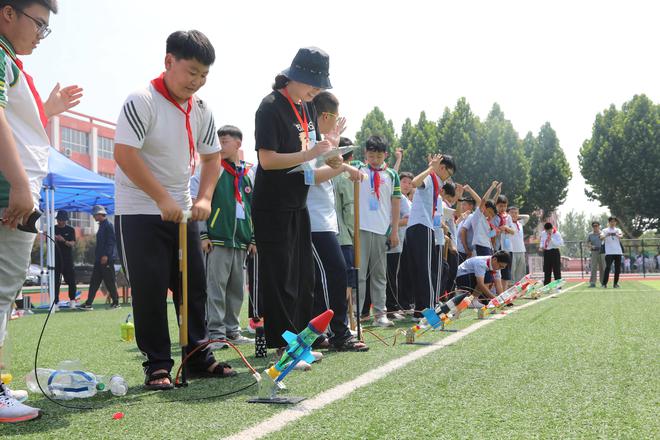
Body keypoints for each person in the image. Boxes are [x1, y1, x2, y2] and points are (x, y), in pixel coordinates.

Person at [113, 30, 235, 389]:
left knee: (193, 287)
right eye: (192, 72)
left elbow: (213, 159)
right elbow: (125, 155)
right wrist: (160, 198)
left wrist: (204, 199)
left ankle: (197, 357)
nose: (196, 82)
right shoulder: (142, 100)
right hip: (139, 211)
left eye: (204, 76)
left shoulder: (201, 109)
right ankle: (157, 365)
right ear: (169, 62)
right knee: (150, 289)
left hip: (182, 213)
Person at [0, 0, 82, 423]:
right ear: (8, 13)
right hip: (8, 196)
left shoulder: (9, 60)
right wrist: (17, 183)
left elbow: (16, 124)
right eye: (39, 24)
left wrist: (46, 110)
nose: (41, 34)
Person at [252, 47, 334, 352]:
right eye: (313, 82)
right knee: (280, 278)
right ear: (295, 75)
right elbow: (267, 160)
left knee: (303, 277)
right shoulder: (270, 106)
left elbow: (307, 161)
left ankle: (301, 342)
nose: (317, 90)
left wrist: (329, 160)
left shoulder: (307, 107)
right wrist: (310, 154)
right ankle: (283, 345)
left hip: (299, 202)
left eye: (320, 85)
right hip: (272, 205)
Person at [308, 91, 367, 352]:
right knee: (332, 274)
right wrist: (342, 166)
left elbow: (330, 166)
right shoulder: (309, 141)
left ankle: (323, 332)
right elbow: (311, 176)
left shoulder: (322, 141)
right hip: (313, 222)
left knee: (329, 276)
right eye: (334, 117)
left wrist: (337, 155)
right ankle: (338, 332)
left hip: (325, 221)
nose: (337, 123)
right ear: (326, 115)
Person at [200, 125, 255, 348]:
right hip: (217, 238)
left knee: (236, 289)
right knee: (215, 288)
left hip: (241, 241)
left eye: (225, 141)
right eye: (218, 141)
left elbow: (253, 207)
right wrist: (204, 233)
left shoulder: (248, 173)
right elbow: (202, 199)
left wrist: (252, 238)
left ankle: (233, 331)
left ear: (238, 144)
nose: (220, 145)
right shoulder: (214, 168)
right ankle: (216, 333)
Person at [398, 154, 455, 316]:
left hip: (418, 227)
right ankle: (428, 309)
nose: (448, 178)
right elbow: (415, 183)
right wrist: (431, 168)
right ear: (442, 168)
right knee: (424, 270)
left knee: (420, 269)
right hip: (421, 227)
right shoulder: (431, 177)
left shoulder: (436, 182)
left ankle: (420, 310)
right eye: (448, 173)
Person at [355, 135, 401, 326]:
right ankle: (355, 315)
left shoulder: (391, 175)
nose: (375, 159)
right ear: (365, 153)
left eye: (379, 156)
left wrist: (395, 231)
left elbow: (396, 203)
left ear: (386, 155)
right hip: (360, 229)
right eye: (371, 155)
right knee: (358, 274)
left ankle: (380, 314)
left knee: (379, 275)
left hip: (382, 230)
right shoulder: (358, 169)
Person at [333, 138, 357, 326]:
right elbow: (349, 208)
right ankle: (344, 321)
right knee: (345, 280)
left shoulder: (322, 171)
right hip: (342, 237)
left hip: (325, 234)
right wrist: (353, 233)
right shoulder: (344, 175)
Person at [78, 205, 118, 309]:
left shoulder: (108, 225)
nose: (93, 217)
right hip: (99, 259)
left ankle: (116, 302)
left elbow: (111, 242)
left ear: (100, 214)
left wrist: (106, 255)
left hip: (106, 259)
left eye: (95, 215)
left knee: (110, 281)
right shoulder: (101, 226)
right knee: (94, 282)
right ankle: (88, 303)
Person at [463, 181, 501, 256]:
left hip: (488, 247)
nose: (490, 215)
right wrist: (492, 187)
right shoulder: (478, 216)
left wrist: (495, 232)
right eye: (489, 212)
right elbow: (483, 200)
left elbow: (488, 235)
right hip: (480, 246)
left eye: (492, 214)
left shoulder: (487, 222)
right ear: (484, 208)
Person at [53, 210, 76, 305]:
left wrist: (63, 240)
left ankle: (72, 301)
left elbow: (72, 243)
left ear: (66, 220)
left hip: (67, 260)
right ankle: (55, 302)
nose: (60, 221)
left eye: (62, 220)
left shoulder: (70, 230)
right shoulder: (52, 229)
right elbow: (47, 243)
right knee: (55, 282)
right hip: (55, 259)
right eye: (58, 219)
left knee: (71, 281)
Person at [492, 195, 515, 287]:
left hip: (507, 248)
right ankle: (496, 291)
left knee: (506, 271)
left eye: (505, 206)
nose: (503, 208)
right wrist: (498, 230)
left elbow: (513, 231)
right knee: (496, 271)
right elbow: (490, 233)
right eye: (500, 206)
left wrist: (506, 228)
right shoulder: (493, 217)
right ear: (496, 205)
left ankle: (503, 292)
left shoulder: (508, 217)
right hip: (497, 247)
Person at [507, 206, 530, 285]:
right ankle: (510, 288)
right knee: (512, 272)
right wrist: (509, 217)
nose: (514, 214)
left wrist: (516, 216)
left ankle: (520, 288)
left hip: (521, 250)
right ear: (508, 214)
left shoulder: (520, 223)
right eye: (512, 213)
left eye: (516, 213)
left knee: (520, 272)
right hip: (512, 251)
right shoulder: (507, 223)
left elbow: (527, 217)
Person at [600, 216, 623, 288]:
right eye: (611, 221)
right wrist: (607, 235)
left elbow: (621, 235)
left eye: (614, 221)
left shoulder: (618, 229)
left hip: (618, 252)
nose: (613, 223)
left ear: (616, 222)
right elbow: (601, 237)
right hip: (609, 252)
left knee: (617, 268)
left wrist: (617, 235)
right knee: (608, 267)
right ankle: (604, 284)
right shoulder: (605, 230)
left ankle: (615, 283)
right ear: (609, 222)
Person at [586, 221, 605, 288]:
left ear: (599, 226)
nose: (595, 227)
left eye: (596, 225)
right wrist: (591, 246)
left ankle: (603, 282)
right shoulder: (590, 234)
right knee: (593, 267)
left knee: (602, 267)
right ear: (592, 227)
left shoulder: (602, 233)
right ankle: (592, 283)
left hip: (602, 251)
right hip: (594, 252)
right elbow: (588, 243)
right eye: (594, 226)